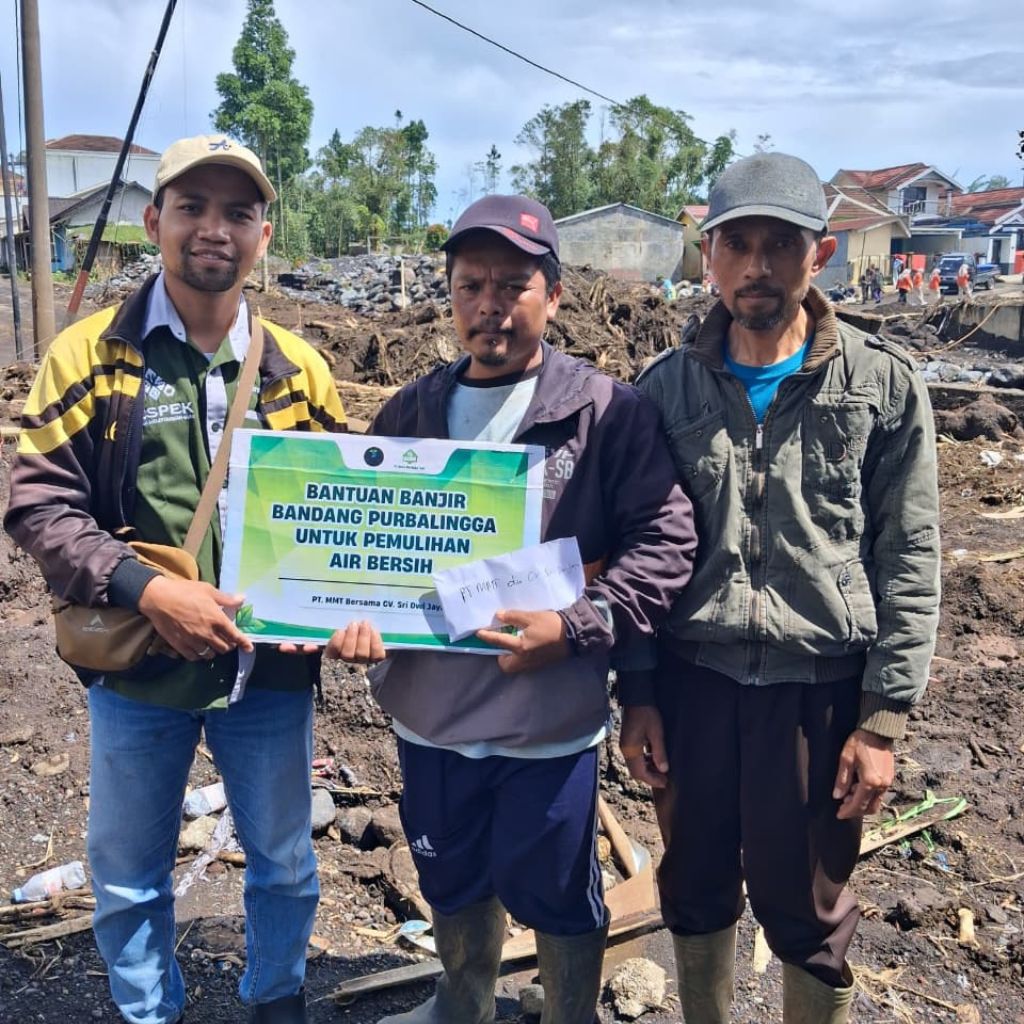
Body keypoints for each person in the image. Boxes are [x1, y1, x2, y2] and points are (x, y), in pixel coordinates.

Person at [328, 194, 696, 1024]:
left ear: (553, 295)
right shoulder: (410, 413)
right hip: (431, 718)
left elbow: (666, 542)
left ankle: (570, 1012)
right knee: (451, 877)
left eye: (512, 285)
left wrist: (578, 625)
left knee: (558, 889)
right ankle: (462, 1004)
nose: (489, 305)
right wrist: (348, 620)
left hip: (546, 727)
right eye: (471, 285)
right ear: (451, 296)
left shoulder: (605, 413)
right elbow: (363, 550)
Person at [5, 135, 347, 1024]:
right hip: (138, 672)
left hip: (268, 676)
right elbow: (40, 505)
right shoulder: (89, 357)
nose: (213, 229)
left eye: (238, 212)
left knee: (285, 863)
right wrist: (148, 590)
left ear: (264, 234)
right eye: (192, 207)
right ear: (154, 221)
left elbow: (341, 519)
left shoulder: (298, 370)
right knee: (126, 874)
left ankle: (276, 1000)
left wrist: (340, 607)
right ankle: (149, 1012)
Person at [620, 152, 940, 1024]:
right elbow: (640, 552)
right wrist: (638, 693)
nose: (757, 266)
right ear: (709, 256)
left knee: (809, 911)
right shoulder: (664, 390)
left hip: (818, 695)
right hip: (694, 684)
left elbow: (910, 556)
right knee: (694, 887)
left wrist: (882, 720)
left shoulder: (880, 385)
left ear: (820, 256)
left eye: (781, 245)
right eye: (737, 244)